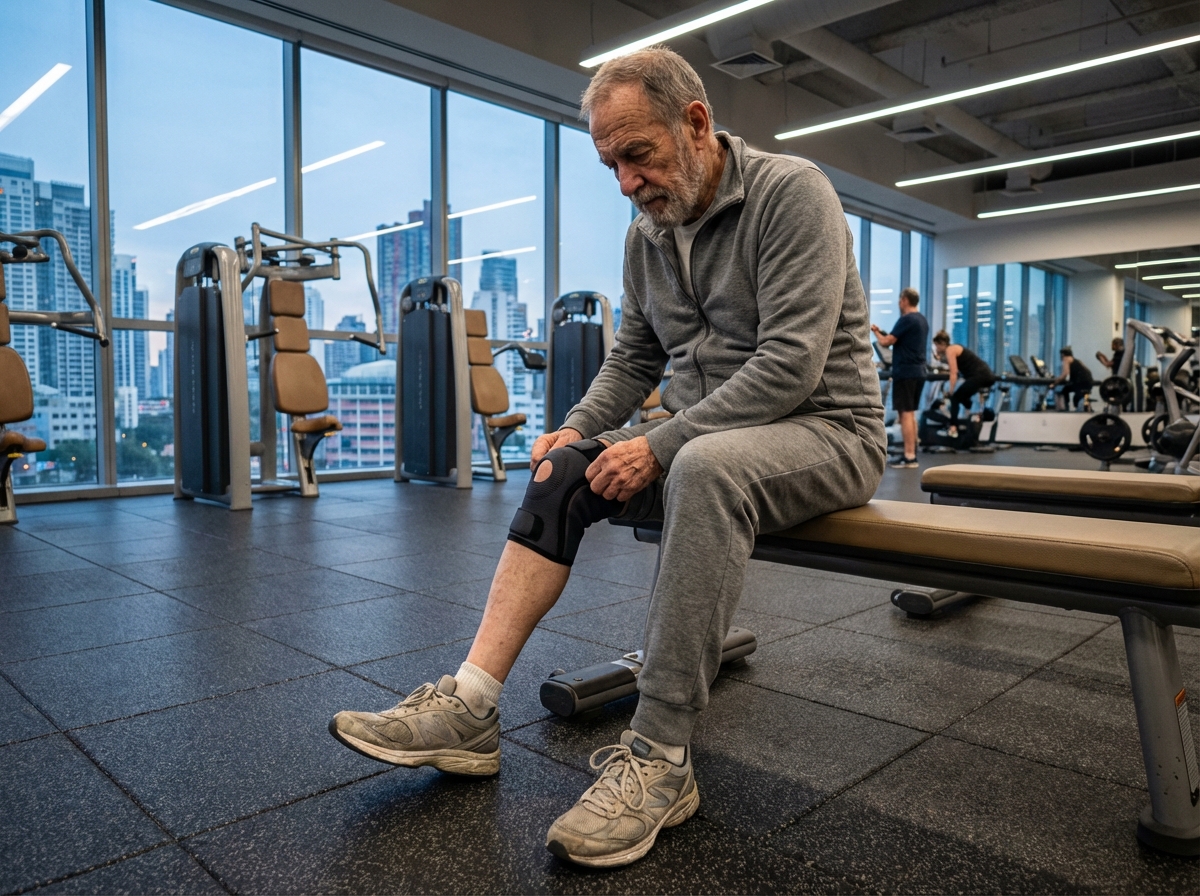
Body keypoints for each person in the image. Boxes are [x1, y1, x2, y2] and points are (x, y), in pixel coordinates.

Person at [328, 46, 885, 869]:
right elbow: (633, 362)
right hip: (707, 430)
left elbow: (789, 366)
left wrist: (659, 444)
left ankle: (660, 760)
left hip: (825, 430)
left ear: (695, 124)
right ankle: (471, 708)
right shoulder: (648, 234)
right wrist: (575, 427)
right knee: (563, 472)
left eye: (639, 155)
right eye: (611, 164)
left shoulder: (790, 193)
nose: (627, 181)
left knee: (702, 466)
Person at [871, 287, 928, 467]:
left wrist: (875, 332)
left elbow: (886, 342)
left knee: (905, 414)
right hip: (918, 371)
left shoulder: (907, 319)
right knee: (910, 414)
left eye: (899, 300)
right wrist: (884, 332)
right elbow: (900, 339)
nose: (898, 303)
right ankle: (912, 454)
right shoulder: (921, 320)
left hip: (906, 372)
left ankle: (909, 456)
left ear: (904, 300)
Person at [931, 330, 995, 438]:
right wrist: (940, 358)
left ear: (942, 344)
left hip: (979, 375)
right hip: (983, 375)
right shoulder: (953, 348)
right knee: (962, 398)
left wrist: (950, 391)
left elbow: (953, 372)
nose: (936, 348)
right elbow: (953, 364)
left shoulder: (950, 350)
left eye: (937, 346)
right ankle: (972, 415)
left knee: (955, 398)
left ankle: (953, 428)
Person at [1054, 346, 1094, 410]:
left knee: (1064, 391)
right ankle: (1087, 408)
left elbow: (1065, 373)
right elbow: (1087, 371)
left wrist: (1056, 382)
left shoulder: (1066, 359)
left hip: (1080, 382)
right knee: (1077, 396)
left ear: (1063, 354)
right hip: (1088, 382)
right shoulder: (1077, 360)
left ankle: (1064, 408)